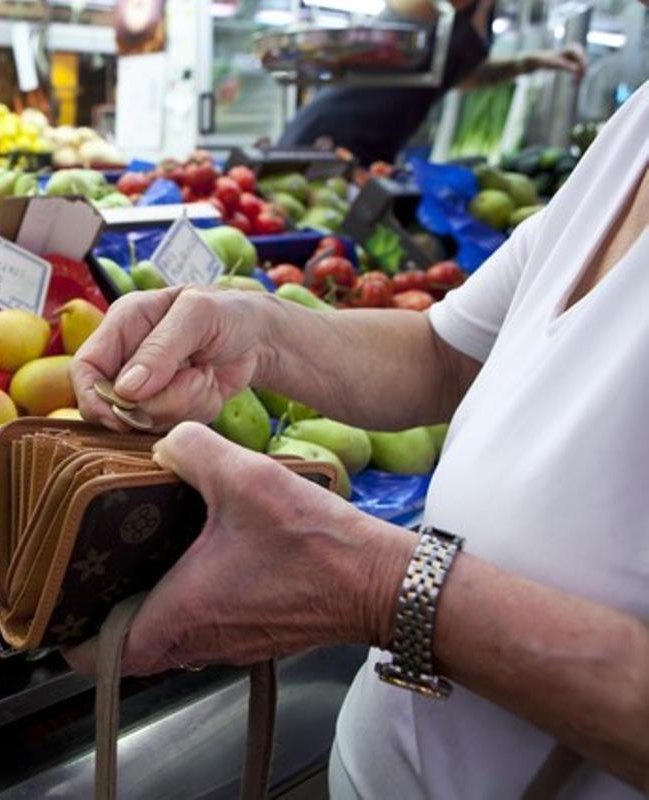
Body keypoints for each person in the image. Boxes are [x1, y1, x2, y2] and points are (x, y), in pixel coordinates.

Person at [69, 80, 648, 797]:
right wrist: (258, 331)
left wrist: (377, 587)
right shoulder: (636, 127)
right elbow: (450, 352)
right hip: (373, 759)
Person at [277, 0, 587, 164]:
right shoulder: (436, 6)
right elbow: (401, 8)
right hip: (335, 129)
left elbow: (463, 78)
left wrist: (535, 61)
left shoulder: (486, 9)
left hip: (384, 138)